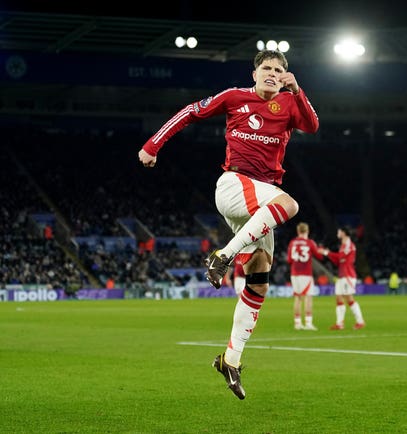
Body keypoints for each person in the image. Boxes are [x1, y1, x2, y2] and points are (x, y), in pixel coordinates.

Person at [137, 49, 319, 400]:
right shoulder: (235, 97)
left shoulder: (289, 102)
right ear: (254, 74)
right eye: (266, 67)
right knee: (290, 204)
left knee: (260, 276)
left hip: (260, 200)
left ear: (285, 76)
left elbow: (312, 126)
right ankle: (222, 255)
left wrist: (297, 90)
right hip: (235, 185)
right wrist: (152, 144)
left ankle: (230, 359)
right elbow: (191, 112)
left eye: (279, 69)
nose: (272, 73)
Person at [322, 227, 366, 330]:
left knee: (349, 298)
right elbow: (338, 261)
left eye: (339, 231)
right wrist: (328, 254)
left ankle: (360, 321)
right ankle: (339, 323)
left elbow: (340, 257)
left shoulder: (349, 245)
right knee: (338, 298)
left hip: (348, 275)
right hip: (342, 275)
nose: (338, 233)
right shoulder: (343, 245)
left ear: (344, 233)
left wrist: (327, 253)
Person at [286, 222, 324, 330]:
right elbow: (319, 256)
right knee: (308, 298)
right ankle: (308, 323)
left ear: (298, 231)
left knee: (297, 298)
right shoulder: (310, 243)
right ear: (307, 231)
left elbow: (289, 260)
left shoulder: (292, 243)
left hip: (294, 273)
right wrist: (320, 249)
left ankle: (297, 323)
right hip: (306, 273)